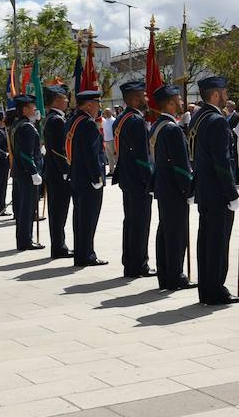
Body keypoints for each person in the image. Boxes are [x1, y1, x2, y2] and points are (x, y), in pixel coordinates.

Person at [190, 76, 239, 305]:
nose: (226, 95)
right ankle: (216, 290)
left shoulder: (199, 117)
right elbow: (221, 160)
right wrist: (231, 193)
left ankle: (207, 287)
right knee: (218, 242)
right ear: (214, 95)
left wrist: (233, 132)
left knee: (207, 241)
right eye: (223, 92)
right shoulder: (217, 120)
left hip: (205, 189)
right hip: (218, 193)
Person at [150, 84, 195, 292]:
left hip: (163, 186)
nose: (182, 103)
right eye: (178, 99)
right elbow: (181, 164)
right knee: (176, 233)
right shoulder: (172, 128)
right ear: (169, 103)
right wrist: (188, 189)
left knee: (165, 232)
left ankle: (165, 274)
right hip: (175, 189)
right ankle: (175, 276)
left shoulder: (158, 125)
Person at [113, 81, 155, 279]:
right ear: (135, 99)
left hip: (127, 178)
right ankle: (139, 264)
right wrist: (150, 181)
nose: (147, 99)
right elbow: (142, 157)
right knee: (139, 223)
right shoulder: (136, 121)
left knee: (130, 222)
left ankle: (130, 262)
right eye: (144, 96)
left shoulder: (121, 118)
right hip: (139, 181)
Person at [67, 90, 108, 267]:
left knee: (80, 218)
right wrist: (96, 176)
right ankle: (87, 255)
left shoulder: (73, 121)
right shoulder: (88, 124)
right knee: (88, 219)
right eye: (98, 103)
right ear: (89, 104)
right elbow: (91, 153)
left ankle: (81, 253)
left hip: (77, 176)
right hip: (89, 179)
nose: (99, 107)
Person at [9, 95, 44, 252]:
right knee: (27, 208)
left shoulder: (18, 124)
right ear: (24, 109)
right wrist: (33, 172)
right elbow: (25, 153)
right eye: (32, 107)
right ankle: (25, 240)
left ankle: (24, 239)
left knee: (24, 207)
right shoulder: (26, 127)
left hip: (20, 171)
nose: (35, 109)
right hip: (26, 172)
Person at [43, 86, 73, 259]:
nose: (67, 101)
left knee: (57, 211)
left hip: (53, 171)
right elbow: (58, 150)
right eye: (64, 98)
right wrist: (66, 169)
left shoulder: (52, 118)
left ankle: (59, 244)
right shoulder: (56, 120)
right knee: (59, 211)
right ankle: (59, 246)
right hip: (58, 173)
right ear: (56, 100)